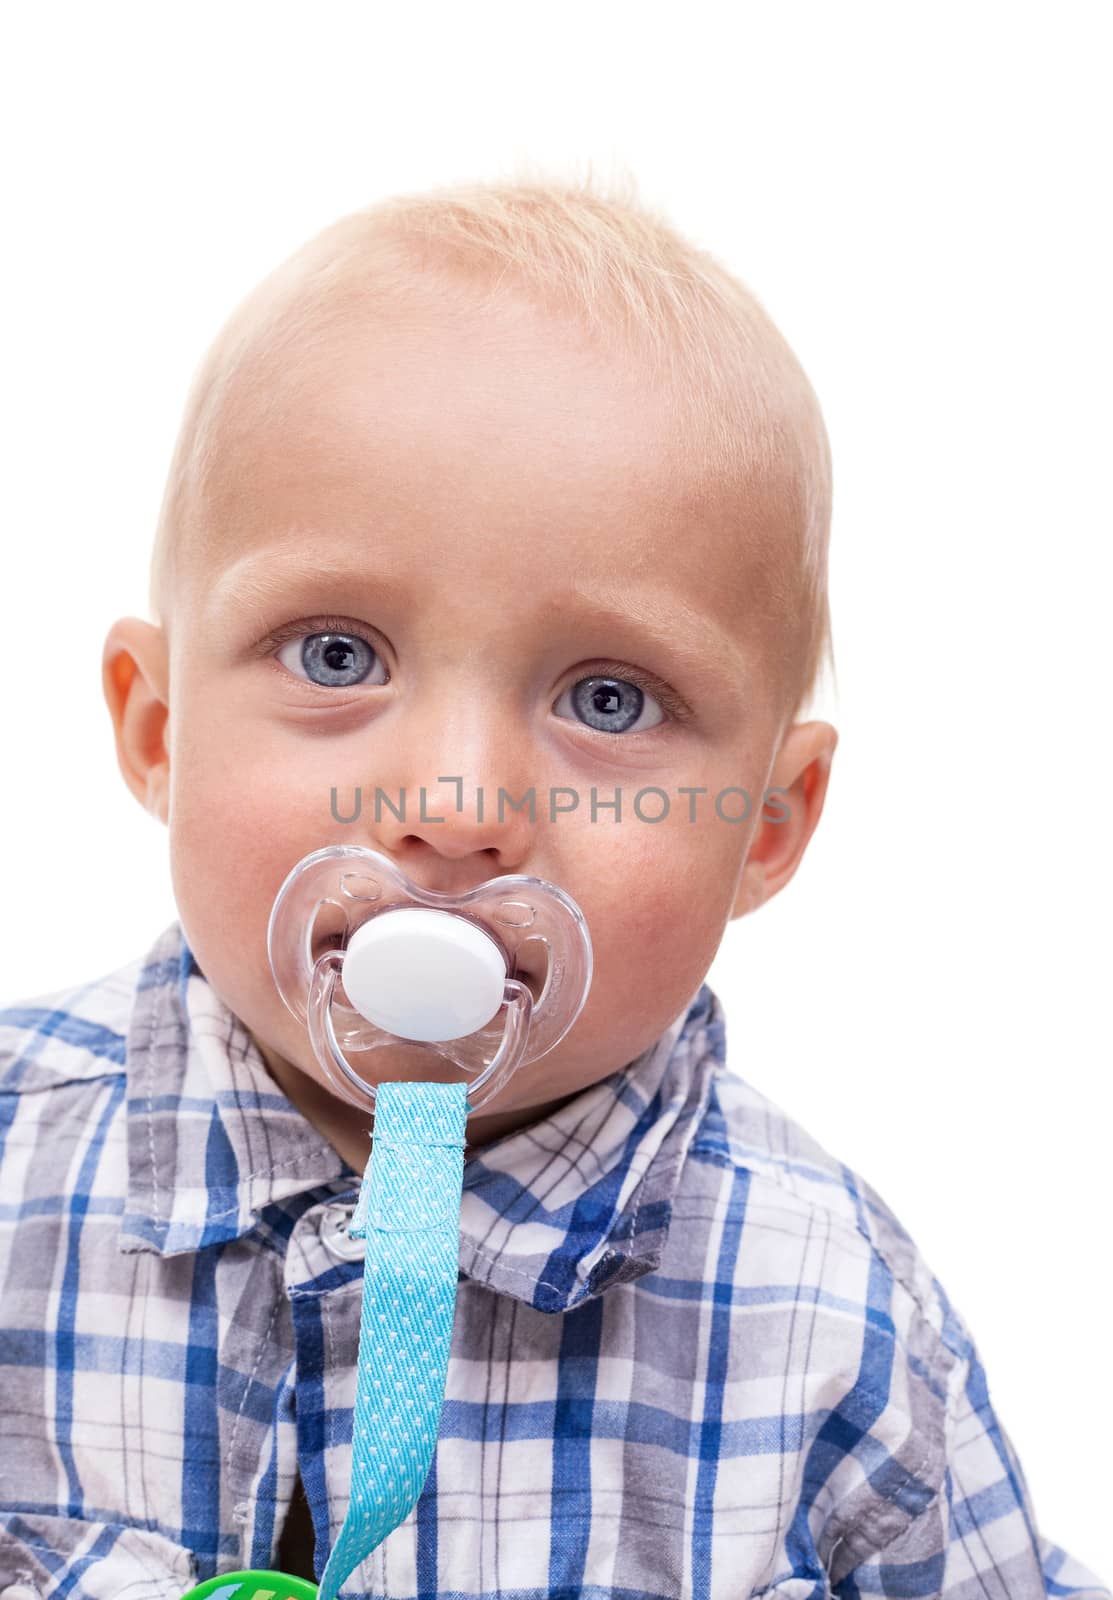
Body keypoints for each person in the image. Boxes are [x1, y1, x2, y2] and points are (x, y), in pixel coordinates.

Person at [0, 174, 1106, 1600]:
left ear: (766, 825)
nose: (456, 808)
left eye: (607, 696)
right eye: (337, 656)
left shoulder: (826, 1320)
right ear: (157, 729)